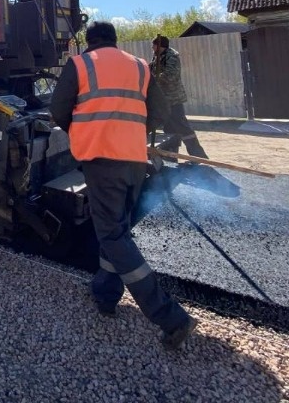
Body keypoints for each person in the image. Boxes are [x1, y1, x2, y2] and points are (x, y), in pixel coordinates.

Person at [49, 21, 197, 350]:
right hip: (133, 162)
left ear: (90, 42)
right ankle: (105, 295)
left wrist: (83, 131)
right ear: (115, 41)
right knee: (117, 229)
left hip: (102, 161)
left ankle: (171, 317)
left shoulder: (81, 64)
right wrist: (130, 130)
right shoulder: (140, 66)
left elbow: (58, 110)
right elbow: (160, 112)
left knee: (113, 236)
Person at [150, 34, 208, 163]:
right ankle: (170, 157)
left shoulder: (172, 57)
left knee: (183, 127)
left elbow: (171, 75)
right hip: (164, 99)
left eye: (153, 45)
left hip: (173, 98)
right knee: (169, 129)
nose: (152, 48)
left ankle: (198, 156)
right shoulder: (158, 56)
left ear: (159, 46)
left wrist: (154, 79)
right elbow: (152, 69)